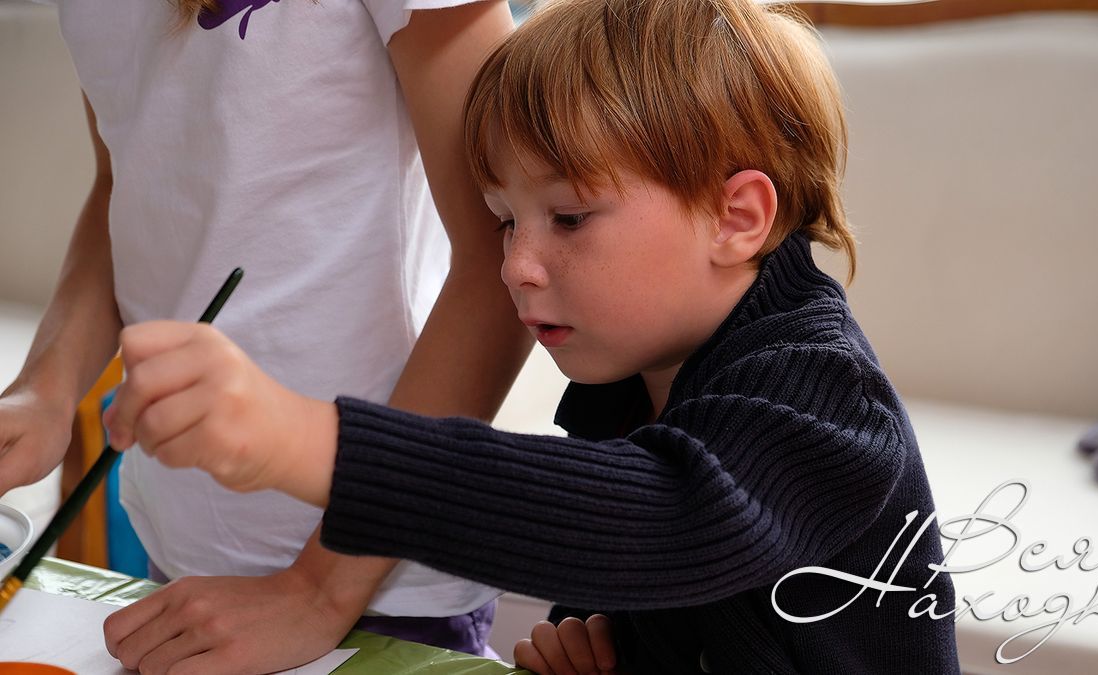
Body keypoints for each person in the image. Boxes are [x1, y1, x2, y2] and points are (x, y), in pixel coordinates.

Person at [103, 0, 962, 672]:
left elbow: (658, 519)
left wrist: (301, 440)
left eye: (570, 217)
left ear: (737, 217)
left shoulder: (824, 399)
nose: (515, 265)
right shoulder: (627, 375)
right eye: (505, 221)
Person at [0, 0, 530, 672]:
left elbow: (504, 251)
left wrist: (317, 590)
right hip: (188, 565)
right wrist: (45, 391)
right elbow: (124, 187)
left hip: (376, 575)